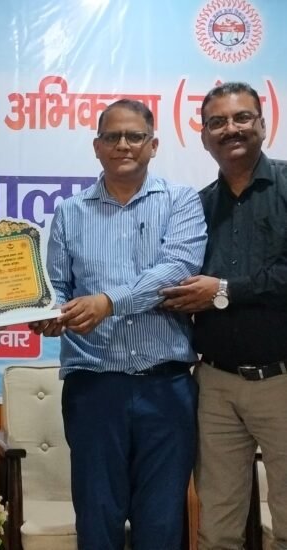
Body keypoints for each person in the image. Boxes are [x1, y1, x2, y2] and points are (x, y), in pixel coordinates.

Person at [31, 99, 207, 549]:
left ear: (153, 144)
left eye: (134, 136)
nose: (123, 145)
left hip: (166, 387)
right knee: (97, 518)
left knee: (162, 522)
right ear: (97, 146)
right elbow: (56, 287)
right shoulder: (70, 211)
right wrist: (47, 316)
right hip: (94, 388)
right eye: (112, 137)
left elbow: (176, 270)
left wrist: (109, 303)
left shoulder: (181, 201)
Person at [159, 82, 287, 550]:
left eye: (241, 118)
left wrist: (225, 291)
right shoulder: (197, 206)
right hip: (214, 385)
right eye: (217, 122)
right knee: (216, 527)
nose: (230, 129)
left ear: (262, 125)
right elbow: (175, 276)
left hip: (281, 380)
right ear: (204, 136)